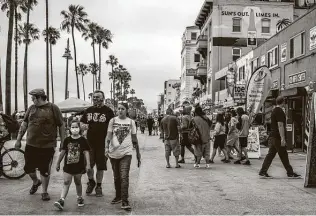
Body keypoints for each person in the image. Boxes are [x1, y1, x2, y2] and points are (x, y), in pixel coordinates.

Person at [15, 88, 65, 201]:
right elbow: (24, 123)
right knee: (28, 168)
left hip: (47, 146)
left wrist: (63, 141)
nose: (32, 100)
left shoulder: (53, 108)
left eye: (33, 98)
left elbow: (61, 125)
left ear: (39, 98)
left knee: (45, 170)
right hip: (31, 144)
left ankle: (44, 192)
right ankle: (36, 181)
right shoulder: (32, 108)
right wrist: (18, 139)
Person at [105, 102, 141, 211]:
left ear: (127, 110)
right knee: (116, 177)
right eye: (119, 109)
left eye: (122, 109)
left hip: (126, 153)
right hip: (113, 153)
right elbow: (109, 135)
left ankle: (125, 200)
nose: (120, 110)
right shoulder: (113, 121)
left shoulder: (131, 122)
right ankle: (118, 196)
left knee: (124, 176)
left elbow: (134, 139)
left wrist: (138, 154)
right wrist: (106, 148)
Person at [80, 90, 115, 197]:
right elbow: (82, 122)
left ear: (103, 98)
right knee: (88, 166)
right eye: (94, 97)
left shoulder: (108, 111)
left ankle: (99, 186)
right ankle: (91, 181)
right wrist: (82, 126)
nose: (95, 99)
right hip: (89, 143)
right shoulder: (88, 110)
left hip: (103, 144)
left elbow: (113, 126)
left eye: (97, 97)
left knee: (100, 167)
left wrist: (110, 144)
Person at [259, 96, 301, 178]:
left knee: (271, 155)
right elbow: (280, 125)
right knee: (283, 155)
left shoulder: (274, 110)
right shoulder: (279, 111)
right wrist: (282, 138)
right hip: (277, 137)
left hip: (273, 136)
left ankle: (263, 171)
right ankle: (290, 172)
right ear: (283, 102)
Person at [54, 120, 90, 210]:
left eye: (76, 127)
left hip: (79, 166)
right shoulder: (67, 140)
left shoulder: (83, 140)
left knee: (78, 182)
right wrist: (58, 163)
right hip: (68, 166)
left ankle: (79, 197)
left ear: (79, 128)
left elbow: (86, 152)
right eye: (72, 127)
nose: (74, 129)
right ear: (69, 128)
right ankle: (61, 200)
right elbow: (62, 152)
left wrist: (88, 164)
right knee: (66, 182)